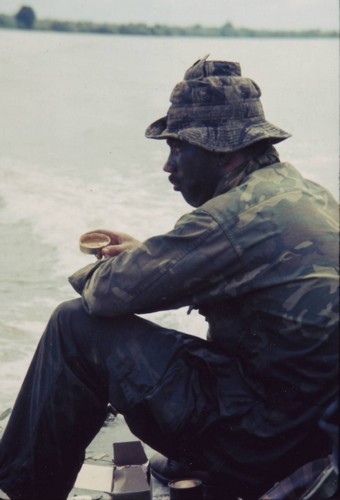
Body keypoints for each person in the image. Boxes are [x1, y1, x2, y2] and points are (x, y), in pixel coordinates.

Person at [0, 56, 338, 500]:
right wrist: (150, 259)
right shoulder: (309, 194)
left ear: (223, 151)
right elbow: (243, 267)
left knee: (74, 324)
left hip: (257, 443)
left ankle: (20, 492)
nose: (169, 166)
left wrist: (104, 268)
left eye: (178, 148)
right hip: (308, 434)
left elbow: (104, 295)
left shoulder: (231, 218)